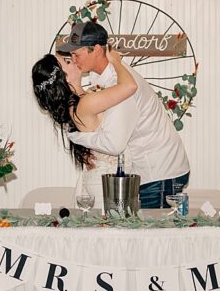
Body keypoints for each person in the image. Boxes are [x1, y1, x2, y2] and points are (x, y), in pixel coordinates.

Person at [59, 20, 190, 208]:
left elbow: (114, 144)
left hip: (158, 171)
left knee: (153, 235)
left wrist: (77, 137)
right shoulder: (107, 77)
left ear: (96, 49)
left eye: (76, 54)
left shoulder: (118, 83)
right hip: (150, 169)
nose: (74, 59)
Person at [31, 47, 136, 208]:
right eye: (67, 62)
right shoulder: (85, 104)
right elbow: (129, 86)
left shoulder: (80, 102)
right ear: (64, 78)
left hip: (105, 179)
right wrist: (115, 61)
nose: (73, 60)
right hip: (106, 183)